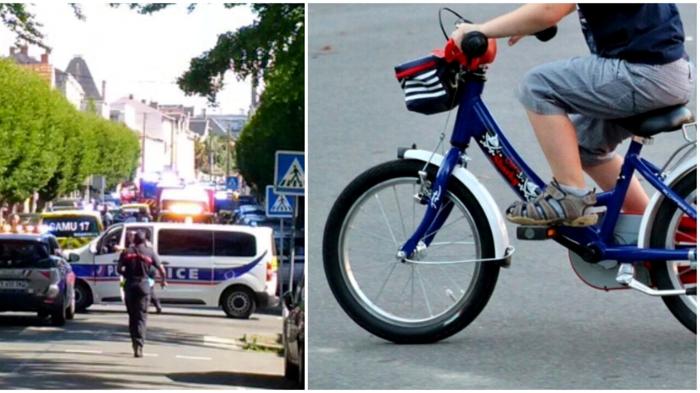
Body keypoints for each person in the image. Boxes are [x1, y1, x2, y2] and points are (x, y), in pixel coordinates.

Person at [451, 4, 694, 226]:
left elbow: (549, 9)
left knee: (537, 86)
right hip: (667, 71)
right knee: (581, 147)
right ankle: (652, 229)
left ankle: (569, 197)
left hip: (644, 73)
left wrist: (481, 29)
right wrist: (526, 22)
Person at [117, 230, 167, 357]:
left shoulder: (126, 252)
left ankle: (134, 342)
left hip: (130, 286)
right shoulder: (150, 252)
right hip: (144, 286)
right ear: (145, 241)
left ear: (134, 240)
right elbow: (161, 269)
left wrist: (126, 274)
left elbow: (119, 269)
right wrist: (163, 280)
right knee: (141, 317)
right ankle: (139, 346)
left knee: (132, 317)